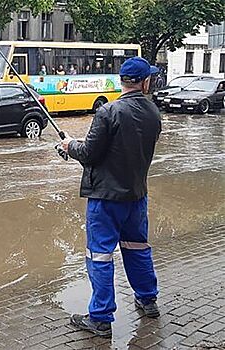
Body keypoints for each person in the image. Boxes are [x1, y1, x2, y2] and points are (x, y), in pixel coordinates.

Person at [60, 57, 161, 338]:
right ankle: (148, 299)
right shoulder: (154, 113)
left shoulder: (108, 112)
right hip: (136, 196)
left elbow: (90, 154)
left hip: (106, 200)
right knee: (138, 248)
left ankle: (101, 318)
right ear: (144, 82)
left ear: (122, 81)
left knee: (100, 256)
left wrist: (69, 145)